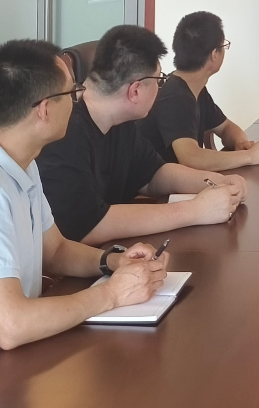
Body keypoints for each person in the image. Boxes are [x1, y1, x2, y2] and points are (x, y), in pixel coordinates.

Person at [0, 39, 169, 391]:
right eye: (72, 92)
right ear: (44, 110)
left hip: (5, 367)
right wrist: (112, 295)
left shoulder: (21, 162)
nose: (79, 100)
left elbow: (54, 250)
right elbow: (10, 326)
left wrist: (114, 262)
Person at [38, 24, 247, 245]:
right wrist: (195, 210)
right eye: (159, 80)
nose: (161, 87)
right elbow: (89, 226)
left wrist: (218, 182)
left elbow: (155, 174)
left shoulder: (120, 122)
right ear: (135, 90)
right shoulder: (64, 134)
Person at [141, 11, 259, 171]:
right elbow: (191, 158)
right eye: (224, 46)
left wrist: (240, 143)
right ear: (214, 54)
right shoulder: (175, 96)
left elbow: (226, 127)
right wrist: (250, 156)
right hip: (156, 186)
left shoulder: (194, 89)